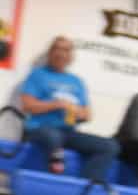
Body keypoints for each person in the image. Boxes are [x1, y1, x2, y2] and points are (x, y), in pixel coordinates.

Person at [19, 36, 118, 180]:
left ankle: (87, 186)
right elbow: (27, 105)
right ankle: (54, 175)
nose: (60, 53)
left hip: (68, 131)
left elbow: (87, 115)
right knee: (53, 136)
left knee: (110, 146)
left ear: (71, 56)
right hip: (39, 129)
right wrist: (56, 104)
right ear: (50, 52)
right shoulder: (37, 75)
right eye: (57, 49)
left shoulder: (76, 81)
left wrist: (76, 111)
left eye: (65, 50)